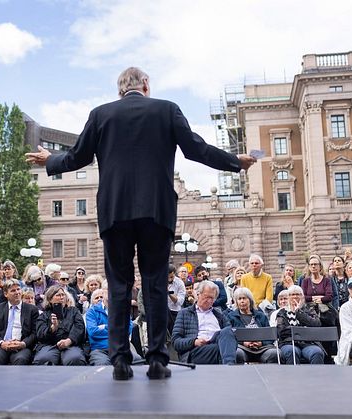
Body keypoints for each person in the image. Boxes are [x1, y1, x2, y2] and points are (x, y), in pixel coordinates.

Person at [26, 67, 256, 380]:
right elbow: (196, 149)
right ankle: (158, 360)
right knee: (155, 286)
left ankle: (120, 361)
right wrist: (234, 162)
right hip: (156, 211)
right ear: (146, 85)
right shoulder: (167, 110)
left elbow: (77, 156)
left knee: (118, 287)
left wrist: (49, 160)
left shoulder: (100, 114)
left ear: (119, 89)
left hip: (115, 211)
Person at [171, 281, 238, 365]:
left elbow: (230, 336)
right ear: (198, 294)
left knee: (227, 331)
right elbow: (176, 342)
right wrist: (194, 342)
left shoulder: (219, 314)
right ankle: (230, 368)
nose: (209, 301)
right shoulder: (184, 313)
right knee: (224, 350)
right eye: (206, 297)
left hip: (217, 343)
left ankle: (229, 366)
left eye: (212, 298)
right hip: (196, 350)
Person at [0, 279, 39, 365]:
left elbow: (35, 333)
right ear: (6, 294)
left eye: (18, 289)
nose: (17, 292)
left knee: (21, 358)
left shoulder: (32, 309)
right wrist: (2, 343)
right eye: (13, 290)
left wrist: (23, 343)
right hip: (2, 345)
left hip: (21, 346)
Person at [33, 285, 87, 366]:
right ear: (50, 299)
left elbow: (79, 328)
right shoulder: (44, 315)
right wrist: (52, 328)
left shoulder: (74, 311)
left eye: (63, 295)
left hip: (70, 345)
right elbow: (40, 334)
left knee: (75, 358)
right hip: (50, 345)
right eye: (58, 295)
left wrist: (69, 340)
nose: (62, 297)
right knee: (43, 359)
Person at [225, 287, 278, 364]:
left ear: (250, 300)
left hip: (262, 348)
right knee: (237, 353)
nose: (242, 301)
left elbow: (269, 335)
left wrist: (261, 343)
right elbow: (229, 336)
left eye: (244, 298)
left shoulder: (261, 316)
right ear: (236, 302)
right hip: (242, 348)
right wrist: (244, 343)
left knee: (274, 354)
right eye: (239, 299)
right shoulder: (231, 317)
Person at [86, 289, 137, 366]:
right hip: (100, 349)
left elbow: (128, 330)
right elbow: (93, 332)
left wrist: (103, 327)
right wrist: (117, 329)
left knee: (138, 360)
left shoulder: (121, 309)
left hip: (121, 347)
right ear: (103, 293)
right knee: (103, 364)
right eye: (108, 290)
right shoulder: (92, 311)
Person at [276, 285, 325, 364]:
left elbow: (316, 324)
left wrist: (299, 313)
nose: (295, 296)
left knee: (317, 352)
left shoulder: (309, 310)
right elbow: (281, 331)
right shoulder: (282, 312)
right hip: (288, 343)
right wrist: (302, 331)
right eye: (292, 294)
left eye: (298, 294)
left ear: (302, 297)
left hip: (308, 343)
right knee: (291, 351)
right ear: (288, 297)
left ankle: (317, 376)